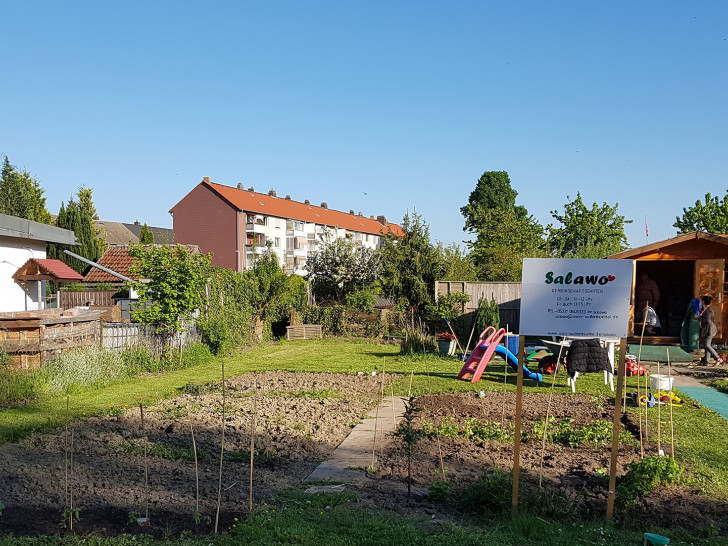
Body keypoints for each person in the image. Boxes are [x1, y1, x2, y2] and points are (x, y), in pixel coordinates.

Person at [699, 295, 723, 366]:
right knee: (706, 344)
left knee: (707, 345)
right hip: (706, 330)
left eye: (701, 301)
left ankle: (718, 358)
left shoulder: (709, 310)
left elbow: (708, 321)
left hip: (709, 330)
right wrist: (699, 317)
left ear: (703, 302)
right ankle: (706, 361)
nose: (700, 302)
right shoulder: (705, 310)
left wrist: (701, 320)